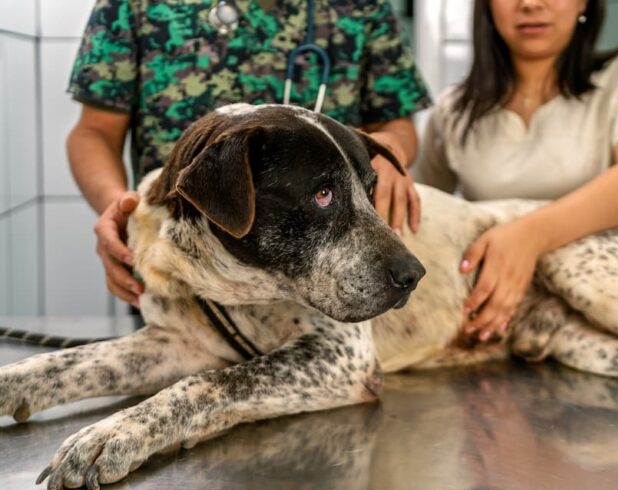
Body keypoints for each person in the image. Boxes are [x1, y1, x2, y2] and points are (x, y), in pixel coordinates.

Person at [66, 0, 431, 307]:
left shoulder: (362, 6)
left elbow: (399, 128)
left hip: (322, 279)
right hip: (183, 268)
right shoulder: (134, 5)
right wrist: (118, 209)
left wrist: (385, 155)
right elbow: (93, 133)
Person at [415, 0, 618, 342]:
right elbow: (419, 212)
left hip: (612, 303)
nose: (531, 4)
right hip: (500, 323)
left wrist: (527, 237)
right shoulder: (454, 110)